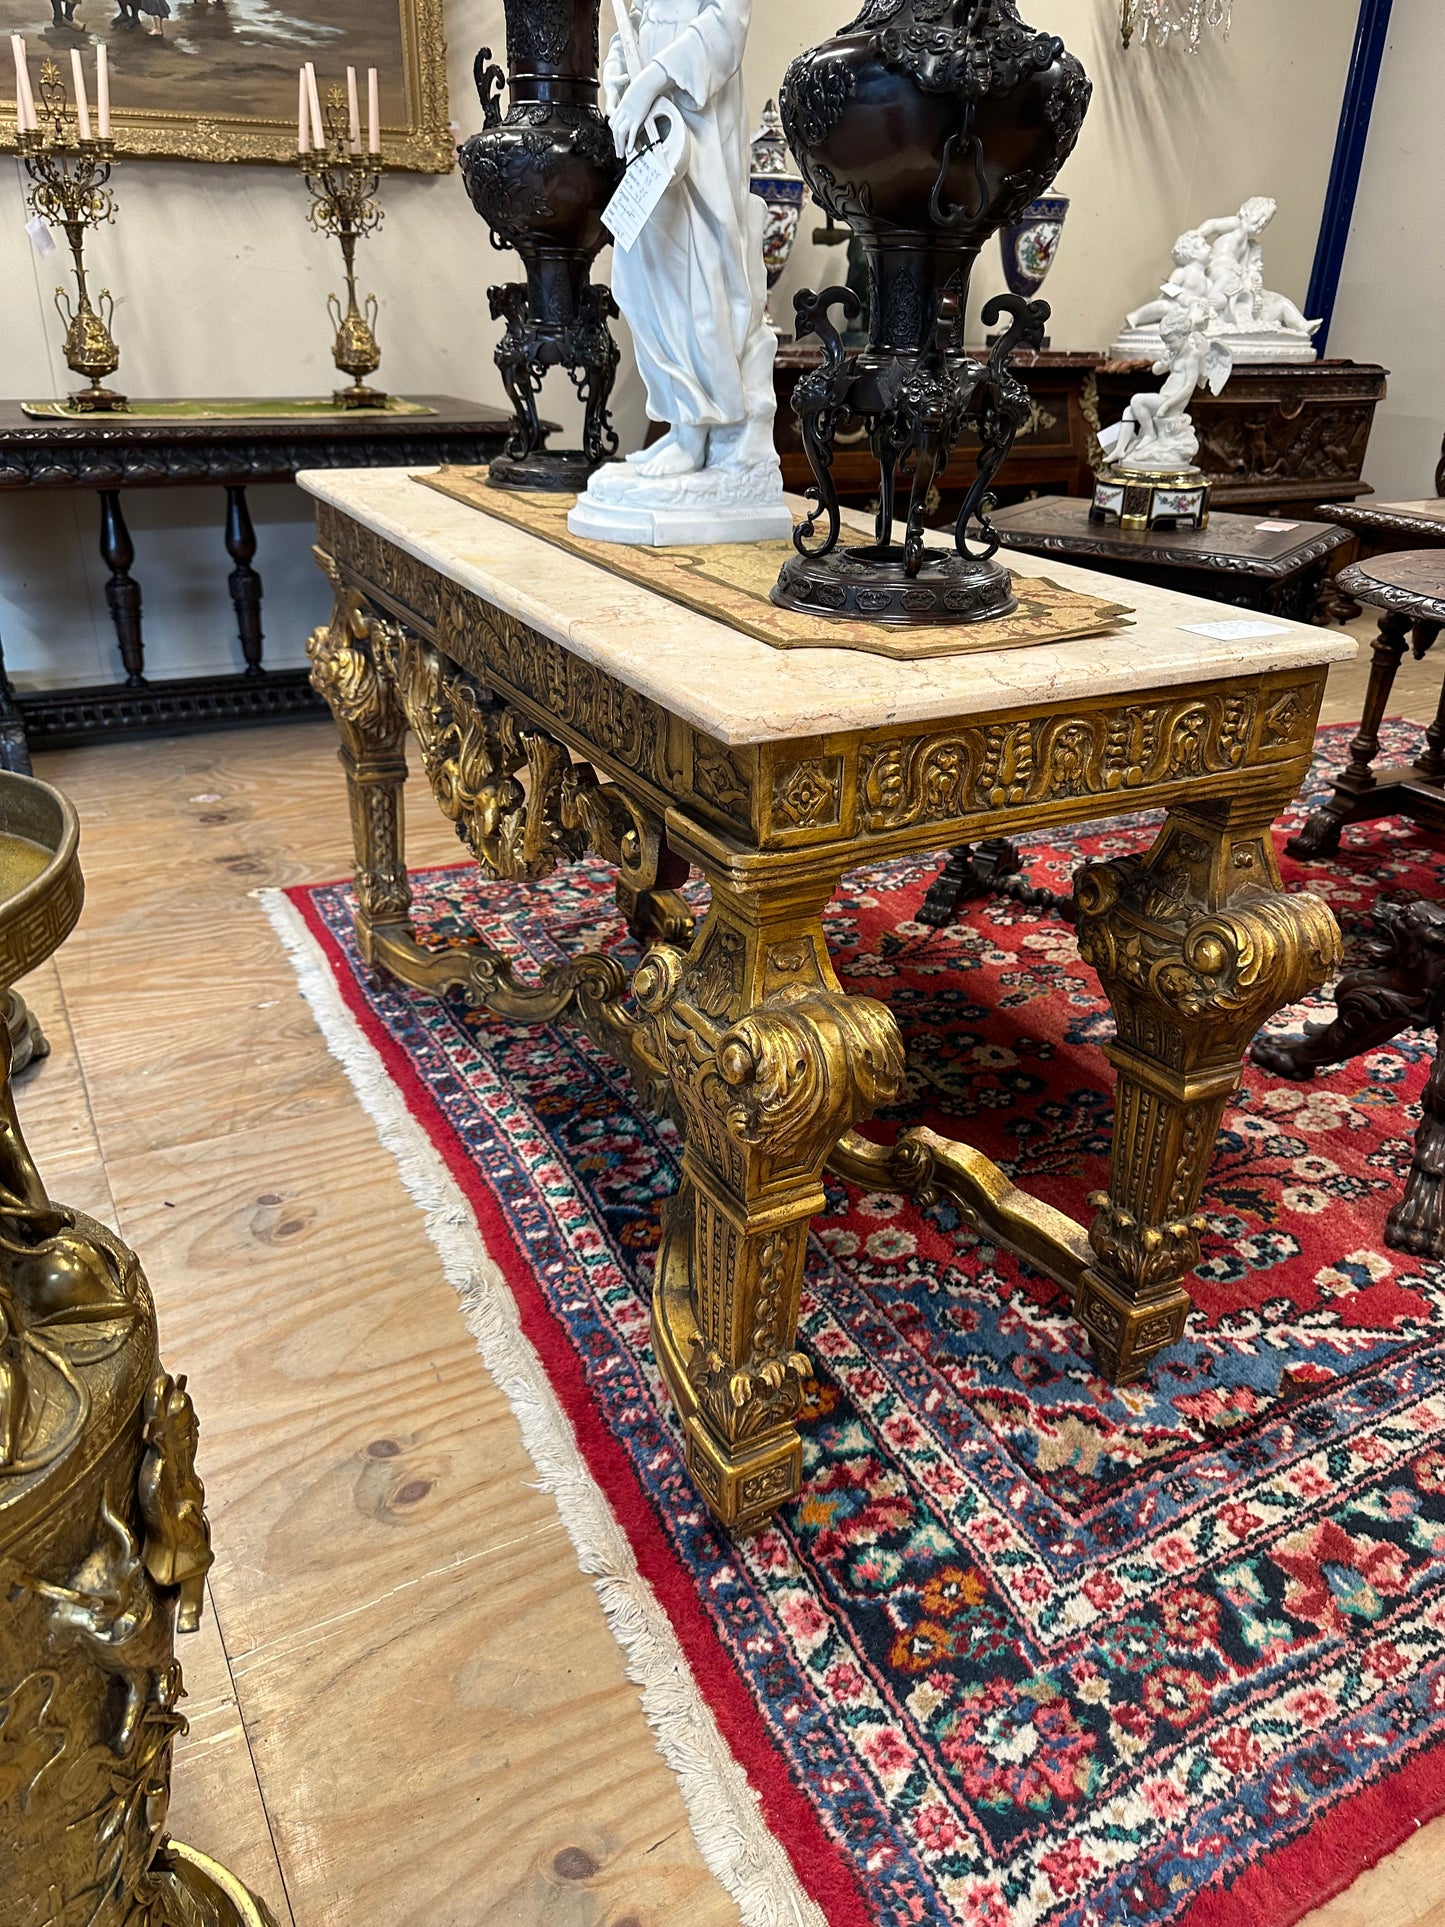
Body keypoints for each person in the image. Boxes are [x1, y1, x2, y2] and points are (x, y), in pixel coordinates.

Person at [601, 0, 776, 481]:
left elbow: (725, 25)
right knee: (642, 274)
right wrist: (619, 83)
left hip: (699, 120)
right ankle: (681, 423)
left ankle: (698, 430)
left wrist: (653, 79)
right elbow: (629, 26)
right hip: (652, 121)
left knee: (694, 268)